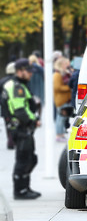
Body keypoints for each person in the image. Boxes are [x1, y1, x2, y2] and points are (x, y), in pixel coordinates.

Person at [2, 58, 41, 199]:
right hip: (20, 127)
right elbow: (19, 111)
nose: (31, 74)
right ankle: (20, 191)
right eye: (28, 71)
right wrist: (33, 121)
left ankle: (25, 187)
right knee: (23, 160)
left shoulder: (20, 85)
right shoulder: (16, 86)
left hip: (24, 128)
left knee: (30, 158)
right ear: (19, 71)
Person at [53, 57, 72, 142]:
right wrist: (68, 88)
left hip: (65, 99)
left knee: (63, 118)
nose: (66, 66)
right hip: (61, 100)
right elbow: (57, 87)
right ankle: (58, 135)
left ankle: (61, 134)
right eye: (64, 64)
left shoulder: (63, 74)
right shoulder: (57, 75)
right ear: (61, 65)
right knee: (60, 118)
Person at [0, 62, 16, 149]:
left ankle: (10, 140)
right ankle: (14, 140)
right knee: (16, 123)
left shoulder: (2, 81)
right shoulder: (17, 80)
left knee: (7, 124)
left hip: (4, 107)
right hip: (15, 106)